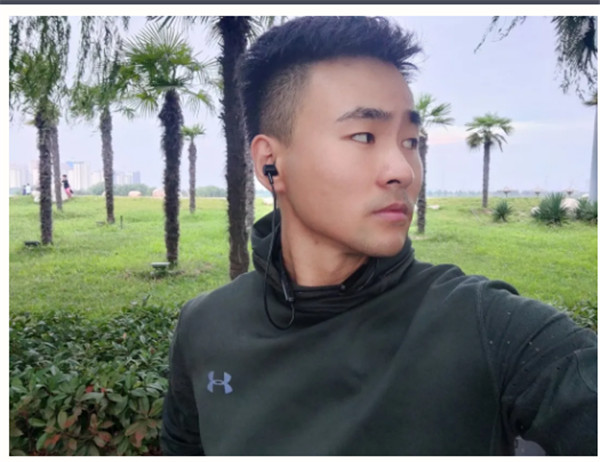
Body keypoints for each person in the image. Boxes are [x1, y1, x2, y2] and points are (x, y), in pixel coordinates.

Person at [160, 16, 597, 456]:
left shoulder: (485, 327)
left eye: (410, 141)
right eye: (364, 136)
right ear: (270, 163)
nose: (402, 171)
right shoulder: (205, 327)